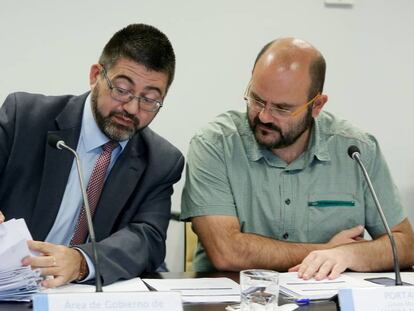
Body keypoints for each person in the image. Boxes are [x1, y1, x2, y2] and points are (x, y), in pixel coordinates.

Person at [180, 37, 414, 280]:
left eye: (282, 108)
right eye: (257, 99)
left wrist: (352, 255)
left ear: (317, 105)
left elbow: (405, 244)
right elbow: (226, 252)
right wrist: (327, 251)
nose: (264, 116)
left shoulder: (357, 150)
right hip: (235, 301)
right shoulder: (215, 145)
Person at [0, 23, 184, 287]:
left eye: (149, 100)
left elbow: (148, 238)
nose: (132, 108)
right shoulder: (25, 117)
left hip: (83, 295)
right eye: (122, 90)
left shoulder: (161, 161)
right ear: (96, 75)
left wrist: (83, 261)